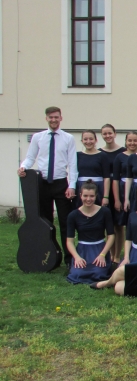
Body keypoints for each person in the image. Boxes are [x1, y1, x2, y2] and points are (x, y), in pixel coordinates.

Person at [18, 106, 77, 266]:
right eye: (51, 117)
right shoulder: (38, 137)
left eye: (56, 117)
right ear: (46, 118)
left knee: (65, 222)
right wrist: (23, 167)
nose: (53, 120)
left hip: (60, 184)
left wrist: (72, 185)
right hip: (42, 184)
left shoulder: (68, 138)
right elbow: (30, 157)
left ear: (61, 118)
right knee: (45, 222)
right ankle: (47, 256)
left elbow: (72, 163)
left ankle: (69, 259)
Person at [66, 181, 115, 284]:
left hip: (99, 249)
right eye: (85, 196)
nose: (88, 199)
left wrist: (102, 255)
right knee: (77, 274)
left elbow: (111, 236)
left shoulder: (105, 212)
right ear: (80, 196)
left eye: (91, 196)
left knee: (99, 273)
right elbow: (69, 241)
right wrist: (77, 257)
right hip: (82, 251)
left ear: (96, 196)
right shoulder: (73, 215)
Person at [111, 131, 137, 263]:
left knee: (135, 223)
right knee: (120, 224)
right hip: (123, 192)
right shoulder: (119, 157)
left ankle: (135, 253)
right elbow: (115, 180)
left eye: (135, 140)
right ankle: (118, 256)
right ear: (126, 142)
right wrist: (117, 199)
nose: (132, 143)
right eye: (130, 141)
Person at [99, 124, 126, 261]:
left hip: (118, 190)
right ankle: (109, 253)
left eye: (110, 133)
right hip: (103, 190)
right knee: (106, 224)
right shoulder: (99, 152)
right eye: (105, 134)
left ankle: (116, 256)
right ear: (101, 135)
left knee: (118, 224)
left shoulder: (123, 152)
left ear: (115, 134)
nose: (108, 136)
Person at [75, 130, 110, 208]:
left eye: (91, 139)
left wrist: (105, 196)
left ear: (96, 140)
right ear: (82, 141)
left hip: (98, 189)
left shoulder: (102, 155)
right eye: (85, 139)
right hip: (81, 188)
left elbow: (107, 178)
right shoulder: (77, 155)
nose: (88, 141)